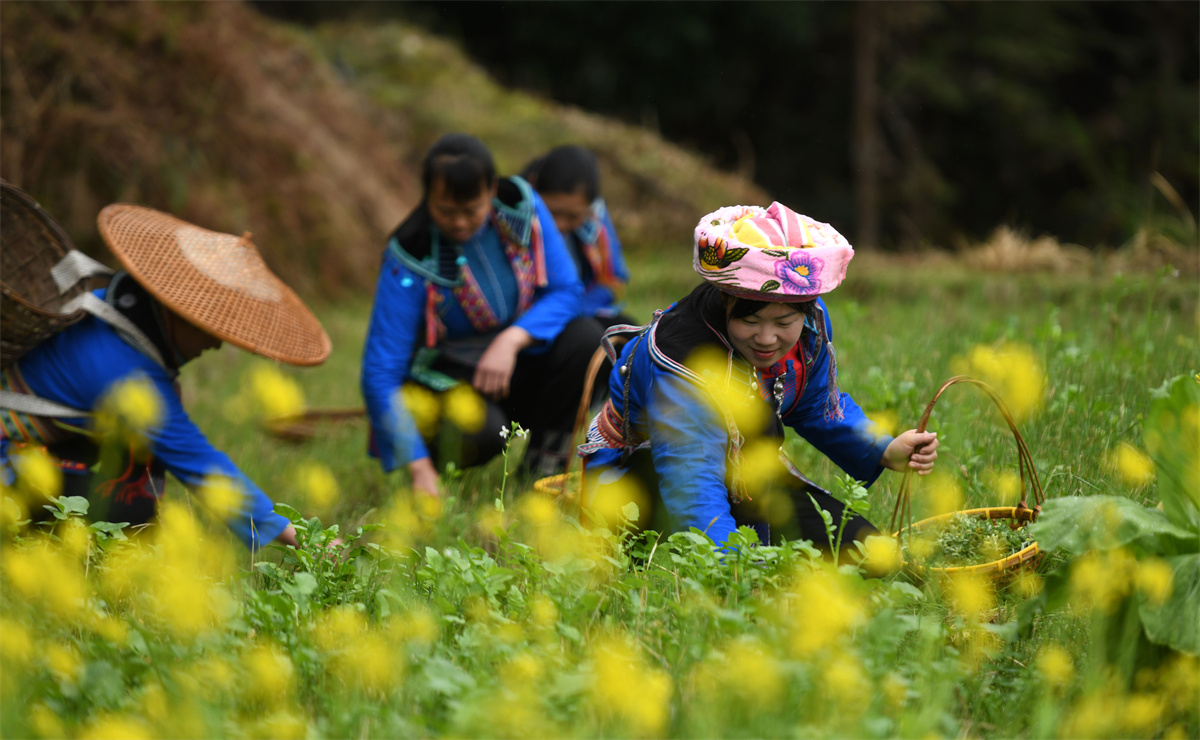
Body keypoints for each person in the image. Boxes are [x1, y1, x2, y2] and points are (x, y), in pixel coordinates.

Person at [579, 202, 938, 559]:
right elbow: (691, 482)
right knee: (732, 562)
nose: (767, 339)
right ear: (725, 299)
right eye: (750, 322)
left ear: (806, 302)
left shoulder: (810, 322)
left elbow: (816, 404)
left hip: (745, 474)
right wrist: (734, 572)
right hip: (646, 478)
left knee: (871, 555)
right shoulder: (684, 360)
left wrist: (883, 449)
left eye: (783, 323)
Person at [0, 204, 333, 549]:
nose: (217, 343)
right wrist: (304, 540)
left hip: (32, 445)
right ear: (177, 313)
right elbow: (199, 463)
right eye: (210, 328)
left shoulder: (113, 306)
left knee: (137, 461)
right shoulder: (128, 373)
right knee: (132, 498)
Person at [362, 133, 604, 496]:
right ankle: (436, 470)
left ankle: (542, 471)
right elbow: (381, 372)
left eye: (471, 210)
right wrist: (417, 467)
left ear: (491, 190)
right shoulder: (410, 256)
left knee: (585, 338)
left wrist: (511, 340)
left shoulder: (521, 206)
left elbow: (567, 290)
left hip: (513, 361)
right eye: (445, 211)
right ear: (427, 196)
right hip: (450, 380)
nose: (459, 223)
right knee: (481, 431)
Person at [522, 145, 633, 328]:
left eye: (572, 216)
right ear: (534, 187)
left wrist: (578, 306)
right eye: (552, 213)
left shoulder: (595, 218)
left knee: (624, 330)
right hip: (536, 315)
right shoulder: (515, 221)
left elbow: (615, 278)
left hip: (581, 309)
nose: (559, 225)